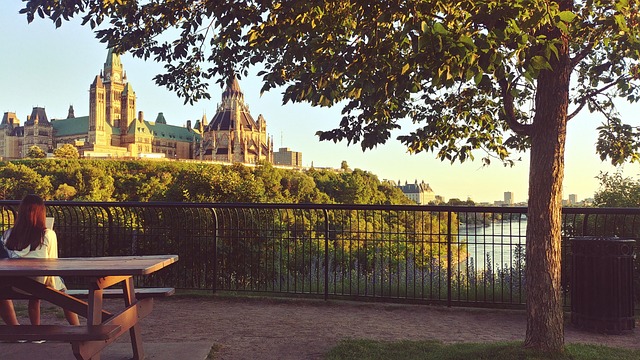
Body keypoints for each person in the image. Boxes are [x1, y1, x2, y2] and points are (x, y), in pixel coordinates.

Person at [1, 194, 79, 326]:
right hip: (41, 282)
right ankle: (77, 327)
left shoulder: (8, 234)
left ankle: (18, 331)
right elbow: (53, 262)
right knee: (63, 289)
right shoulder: (47, 234)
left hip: (15, 284)